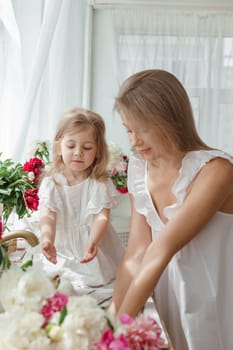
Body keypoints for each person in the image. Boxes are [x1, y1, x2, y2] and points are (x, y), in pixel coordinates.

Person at [109, 69, 233, 350]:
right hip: (175, 302)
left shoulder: (216, 170)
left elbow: (161, 248)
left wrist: (121, 332)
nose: (134, 141)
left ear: (170, 120)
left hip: (221, 303)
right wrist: (111, 320)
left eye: (142, 129)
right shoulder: (139, 171)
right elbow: (136, 252)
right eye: (129, 129)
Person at [35, 107, 125, 293]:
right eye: (71, 146)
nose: (78, 153)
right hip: (62, 247)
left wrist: (94, 240)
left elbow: (102, 216)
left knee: (99, 283)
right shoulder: (53, 183)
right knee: (60, 284)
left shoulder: (99, 183)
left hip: (92, 245)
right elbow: (48, 215)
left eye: (87, 148)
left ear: (98, 151)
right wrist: (47, 238)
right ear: (59, 146)